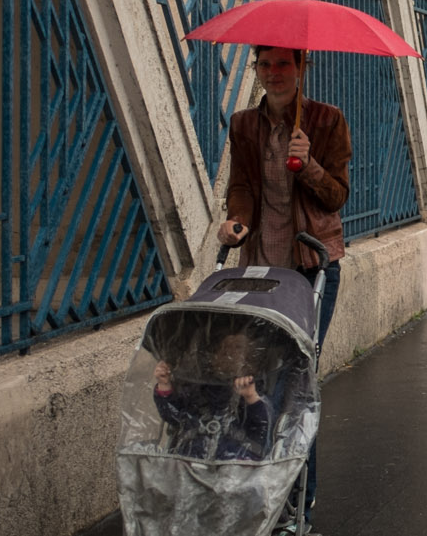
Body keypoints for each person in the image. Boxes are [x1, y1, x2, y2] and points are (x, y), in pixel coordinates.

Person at [217, 45, 349, 514]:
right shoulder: (243, 125)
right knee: (253, 380)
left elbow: (336, 197)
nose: (274, 74)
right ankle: (257, 488)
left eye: (283, 64)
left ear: (300, 67)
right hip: (260, 271)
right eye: (265, 65)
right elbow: (242, 185)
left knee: (293, 382)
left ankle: (297, 499)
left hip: (311, 270)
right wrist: (235, 220)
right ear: (256, 69)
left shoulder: (327, 121)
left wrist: (307, 162)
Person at [153, 330, 273, 461]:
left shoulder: (253, 387)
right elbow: (174, 417)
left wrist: (251, 398)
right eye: (224, 347)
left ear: (250, 358)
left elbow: (262, 431)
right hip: (191, 460)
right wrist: (164, 385)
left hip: (235, 464)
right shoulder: (198, 387)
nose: (228, 352)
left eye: (237, 347)